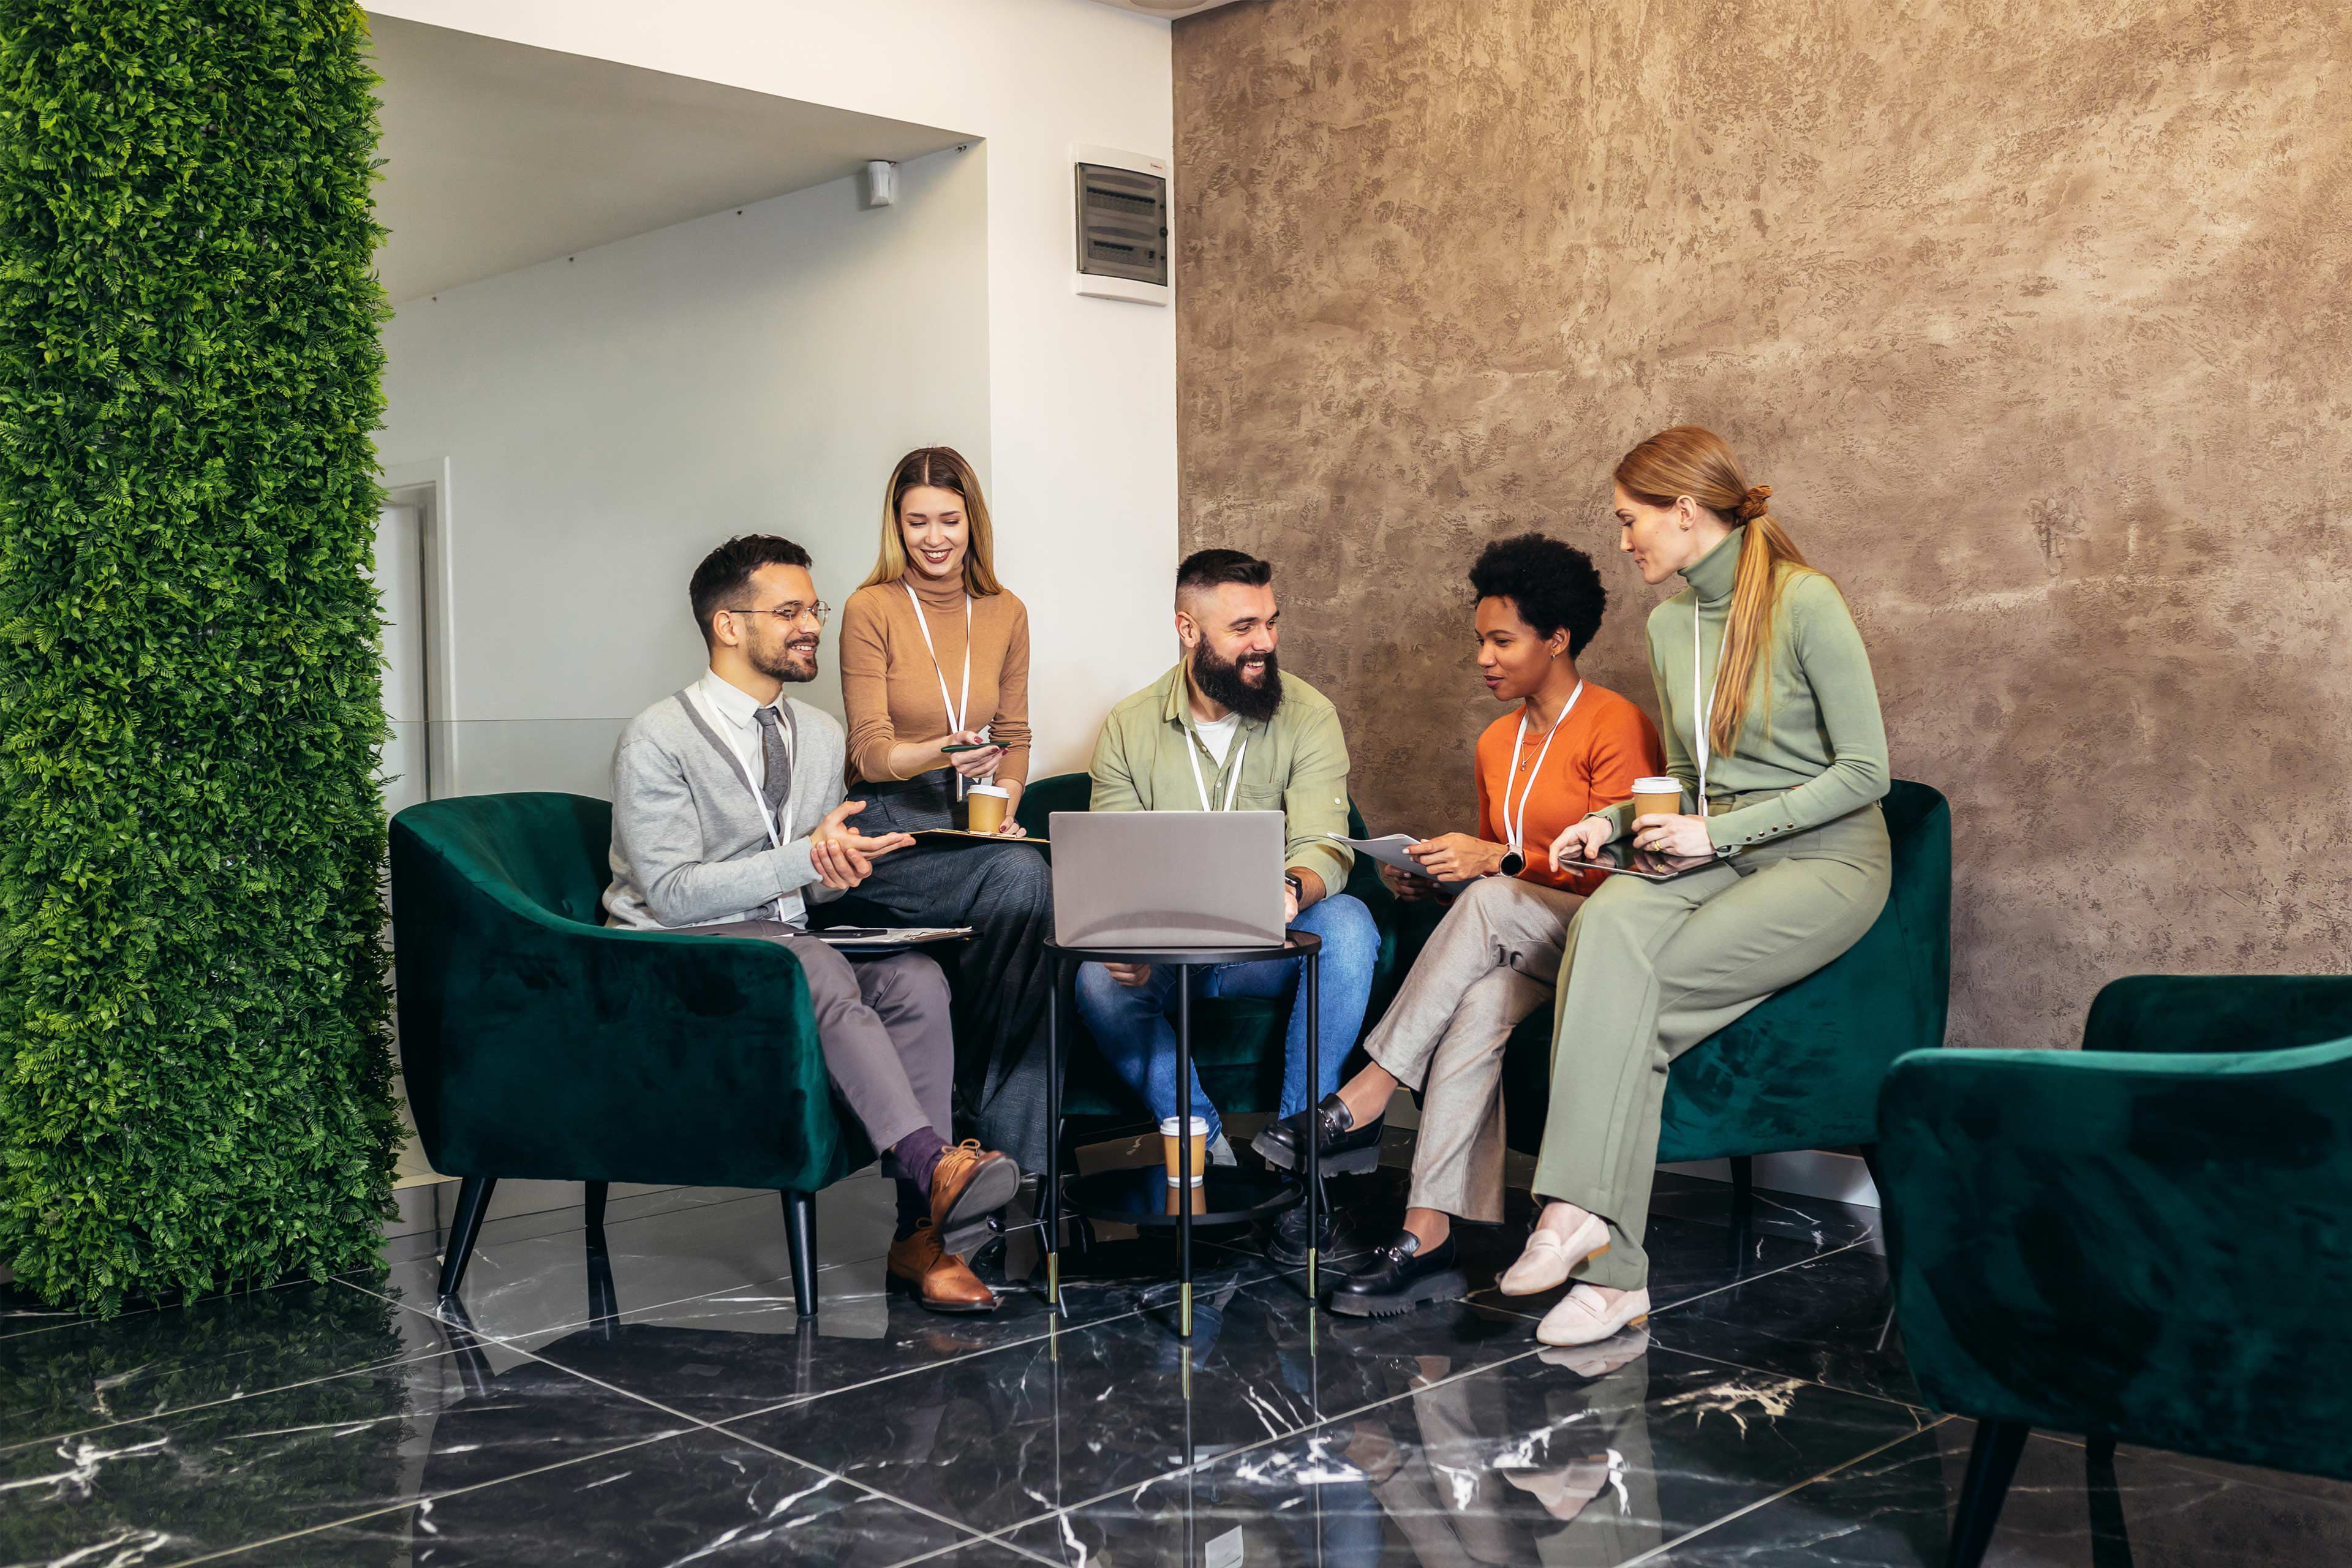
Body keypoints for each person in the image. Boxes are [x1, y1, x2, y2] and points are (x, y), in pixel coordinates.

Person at [1507, 427, 1893, 1348]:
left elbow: (1868, 771)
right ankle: (1588, 1234)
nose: (1625, 541)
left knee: (1628, 999)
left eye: (1631, 521)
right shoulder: (1667, 623)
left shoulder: (1808, 603)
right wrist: (1616, 821)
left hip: (1825, 860)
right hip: (1706, 851)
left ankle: (1600, 1259)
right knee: (1605, 930)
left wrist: (1717, 832)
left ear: (1686, 512)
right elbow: (1684, 765)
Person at [603, 533, 1023, 1315]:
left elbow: (809, 892)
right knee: (814, 965)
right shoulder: (656, 738)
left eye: (814, 609)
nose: (812, 626)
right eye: (790, 611)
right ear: (729, 626)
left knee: (916, 978)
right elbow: (671, 894)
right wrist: (807, 858)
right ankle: (935, 1165)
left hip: (784, 942)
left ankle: (918, 1240)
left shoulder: (823, 735)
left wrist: (844, 867)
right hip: (678, 960)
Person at [1280, 534, 1666, 1319]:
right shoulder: (1498, 742)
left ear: (1556, 640)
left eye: (1503, 640)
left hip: (1612, 940)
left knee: (1488, 903)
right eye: (1479, 641)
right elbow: (1514, 873)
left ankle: (1368, 1091)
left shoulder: (1614, 725)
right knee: (1479, 1007)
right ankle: (1427, 1241)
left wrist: (1493, 861)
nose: (1484, 658)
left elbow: (1623, 872)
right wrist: (1431, 879)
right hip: (1532, 941)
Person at [1075, 548, 1380, 1261]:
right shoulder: (1127, 724)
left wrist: (1287, 891)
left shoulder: (1309, 714)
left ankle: (1297, 1155)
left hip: (1263, 951)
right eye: (1244, 627)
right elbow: (1112, 862)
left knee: (1349, 925)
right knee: (1093, 976)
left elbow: (1325, 843)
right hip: (1168, 959)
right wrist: (1122, 937)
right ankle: (1207, 1145)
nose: (1266, 643)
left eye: (1271, 623)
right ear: (1188, 630)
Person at [834, 448, 1057, 1170]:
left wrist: (1006, 803)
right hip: (888, 831)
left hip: (969, 829)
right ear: (896, 526)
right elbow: (870, 755)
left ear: (973, 522)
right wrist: (942, 752)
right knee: (1021, 881)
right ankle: (979, 1123)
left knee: (1031, 884)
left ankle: (1007, 1158)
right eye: (917, 520)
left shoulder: (1006, 610)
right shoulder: (873, 608)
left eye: (950, 520)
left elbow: (1016, 738)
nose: (935, 537)